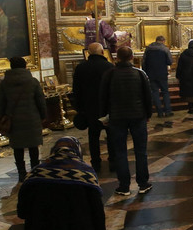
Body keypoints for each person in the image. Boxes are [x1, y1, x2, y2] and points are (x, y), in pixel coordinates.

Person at [99, 46, 153, 197]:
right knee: (141, 151)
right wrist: (148, 114)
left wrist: (104, 116)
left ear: (117, 58)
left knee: (120, 152)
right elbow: (147, 97)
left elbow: (103, 97)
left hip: (117, 117)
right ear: (132, 57)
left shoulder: (109, 74)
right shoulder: (140, 74)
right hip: (138, 116)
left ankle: (124, 186)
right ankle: (143, 184)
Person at [0, 56, 48, 182]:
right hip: (32, 118)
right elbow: (41, 101)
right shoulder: (33, 82)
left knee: (17, 147)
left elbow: (1, 103)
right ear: (25, 66)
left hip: (13, 119)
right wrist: (43, 116)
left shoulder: (5, 84)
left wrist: (1, 119)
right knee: (33, 146)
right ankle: (35, 170)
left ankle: (21, 173)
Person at [72, 43, 113, 173]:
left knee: (93, 136)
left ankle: (95, 162)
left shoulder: (80, 68)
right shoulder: (109, 67)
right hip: (107, 107)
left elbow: (76, 90)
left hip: (89, 108)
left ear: (88, 53)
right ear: (102, 52)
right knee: (111, 135)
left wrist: (79, 108)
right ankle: (113, 161)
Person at [141, 35, 174, 117]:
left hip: (151, 74)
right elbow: (170, 61)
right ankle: (167, 111)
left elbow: (143, 61)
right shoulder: (165, 49)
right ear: (163, 41)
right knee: (165, 92)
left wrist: (146, 72)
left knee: (155, 92)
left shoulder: (148, 49)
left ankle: (159, 112)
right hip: (162, 73)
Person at [175, 39, 193, 116]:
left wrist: (178, 76)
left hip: (185, 76)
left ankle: (190, 108)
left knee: (188, 93)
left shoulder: (183, 54)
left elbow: (179, 67)